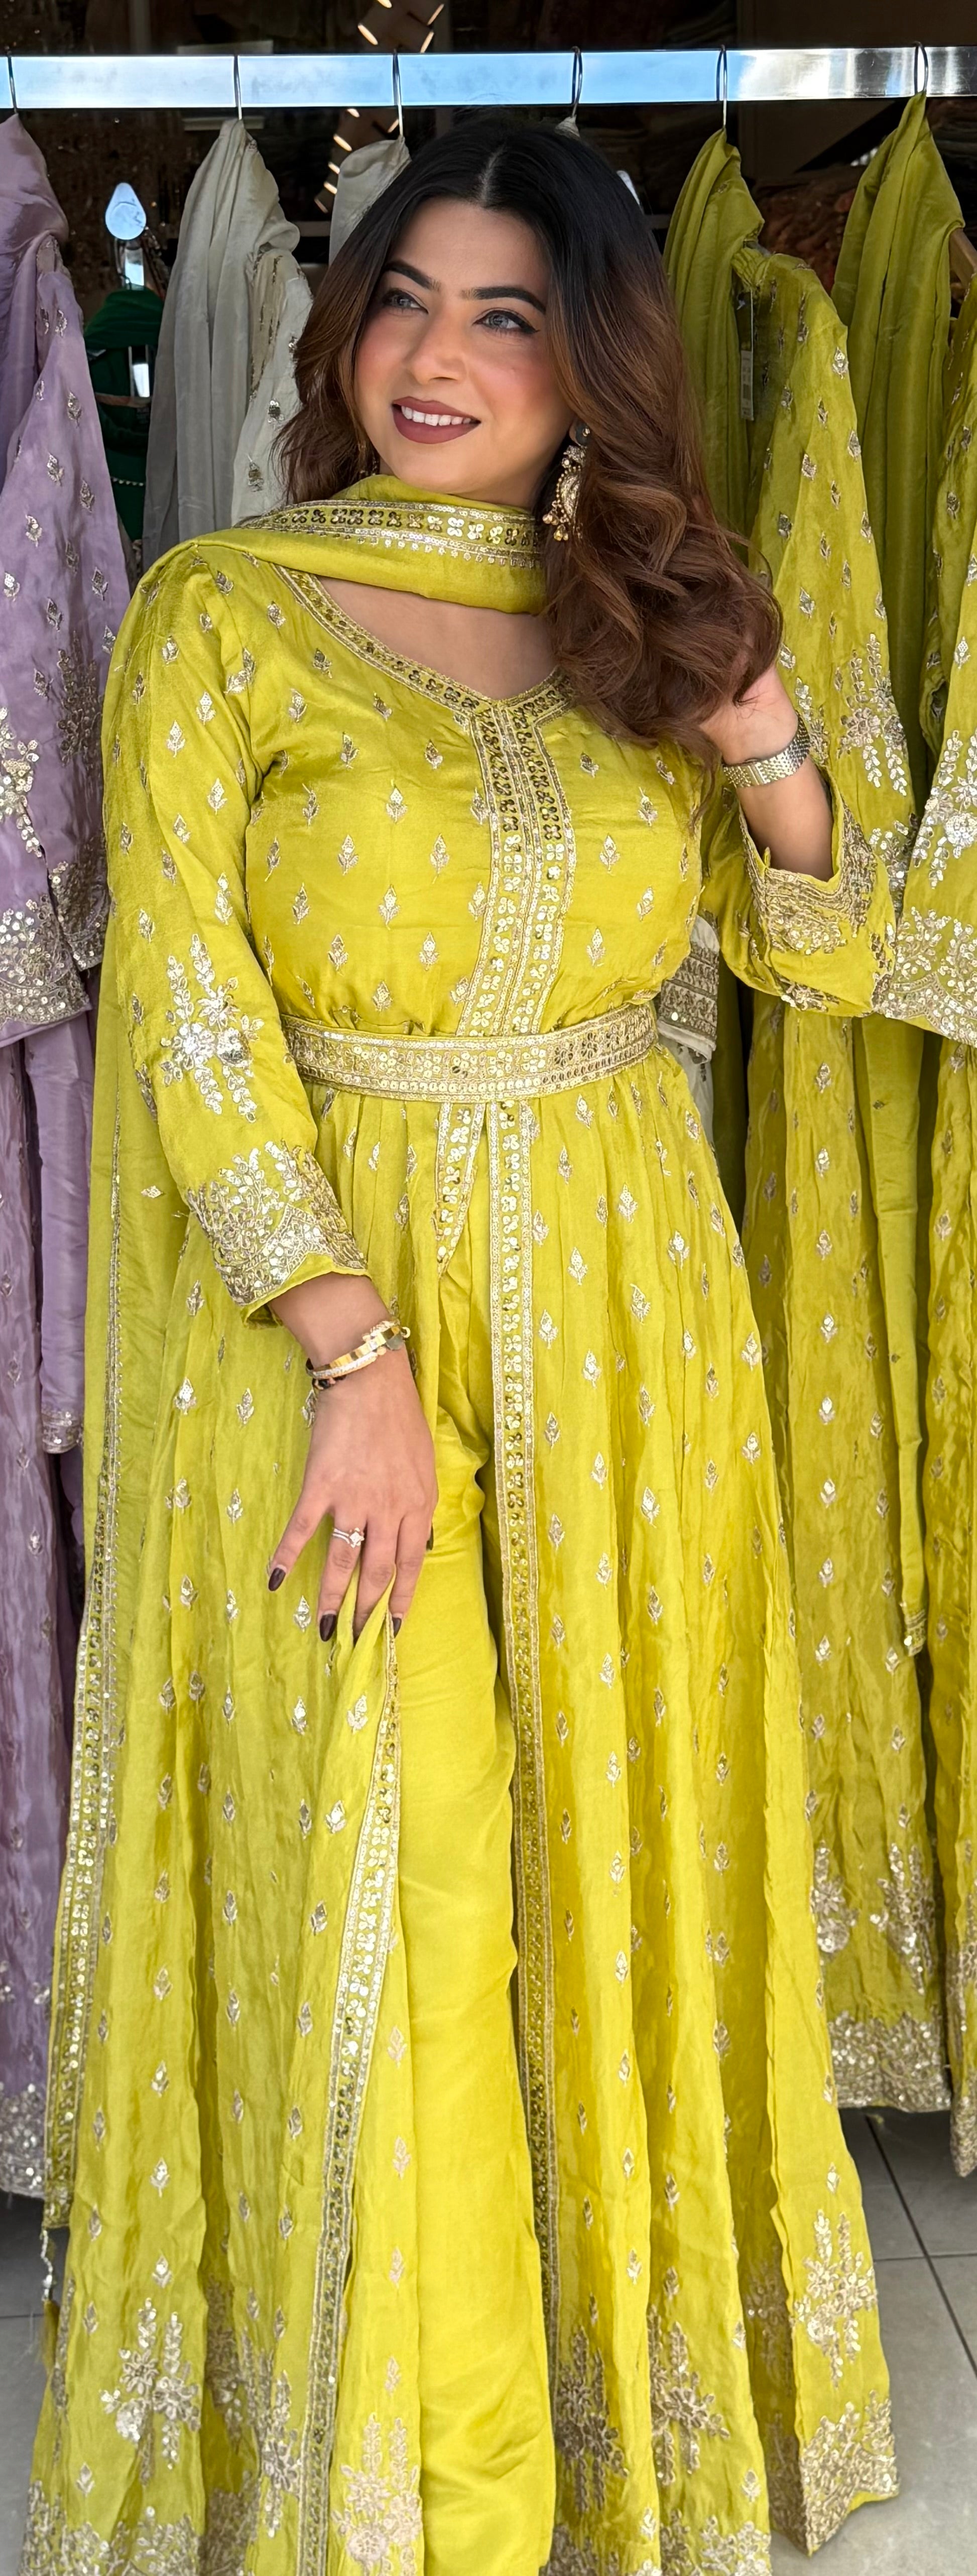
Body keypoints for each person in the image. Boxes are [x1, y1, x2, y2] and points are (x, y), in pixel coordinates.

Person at [26, 118, 898, 2576]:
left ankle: (622, 2406)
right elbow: (189, 1002)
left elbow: (832, 949)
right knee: (391, 1867)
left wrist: (755, 723)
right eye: (404, 298)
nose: (434, 356)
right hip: (324, 1332)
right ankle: (425, 2483)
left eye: (507, 316)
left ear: (591, 361)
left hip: (631, 1322)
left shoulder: (645, 610)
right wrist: (349, 1348)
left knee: (607, 1831)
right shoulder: (221, 611)